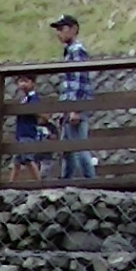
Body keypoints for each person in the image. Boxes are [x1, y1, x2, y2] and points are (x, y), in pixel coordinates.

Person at [50, 14, 95, 180]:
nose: (59, 33)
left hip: (73, 107)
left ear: (74, 29)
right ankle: (66, 180)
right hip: (69, 107)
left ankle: (91, 181)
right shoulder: (71, 51)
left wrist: (75, 109)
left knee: (79, 147)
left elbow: (78, 80)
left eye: (62, 29)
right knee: (68, 149)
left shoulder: (76, 51)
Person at [12, 72, 46, 182]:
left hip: (28, 133)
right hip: (21, 133)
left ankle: (38, 182)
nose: (23, 84)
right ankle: (12, 182)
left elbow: (38, 112)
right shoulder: (24, 99)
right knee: (17, 161)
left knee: (28, 159)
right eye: (21, 81)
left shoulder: (33, 98)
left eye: (26, 81)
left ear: (33, 83)